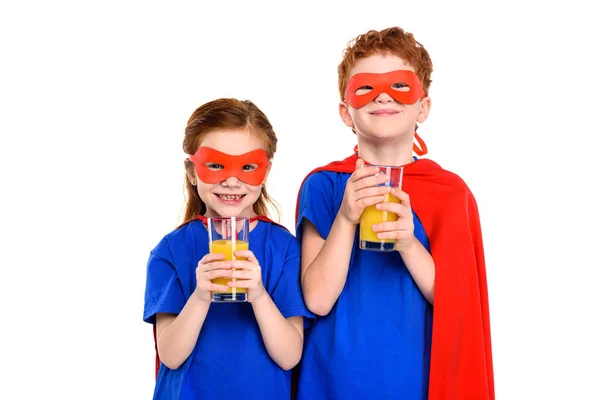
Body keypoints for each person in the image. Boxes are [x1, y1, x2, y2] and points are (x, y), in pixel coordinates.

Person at [293, 26, 495, 399]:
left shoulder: (450, 193)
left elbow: (458, 303)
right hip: (332, 383)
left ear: (424, 106)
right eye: (366, 87)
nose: (383, 96)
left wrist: (408, 243)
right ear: (346, 112)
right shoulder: (324, 186)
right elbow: (316, 300)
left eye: (400, 86)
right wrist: (345, 218)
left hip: (414, 383)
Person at [143, 98, 313, 399]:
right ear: (193, 172)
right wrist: (200, 295)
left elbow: (290, 355)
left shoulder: (284, 247)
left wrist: (259, 295)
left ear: (265, 172)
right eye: (216, 165)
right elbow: (170, 355)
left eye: (247, 167)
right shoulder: (169, 250)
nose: (232, 181)